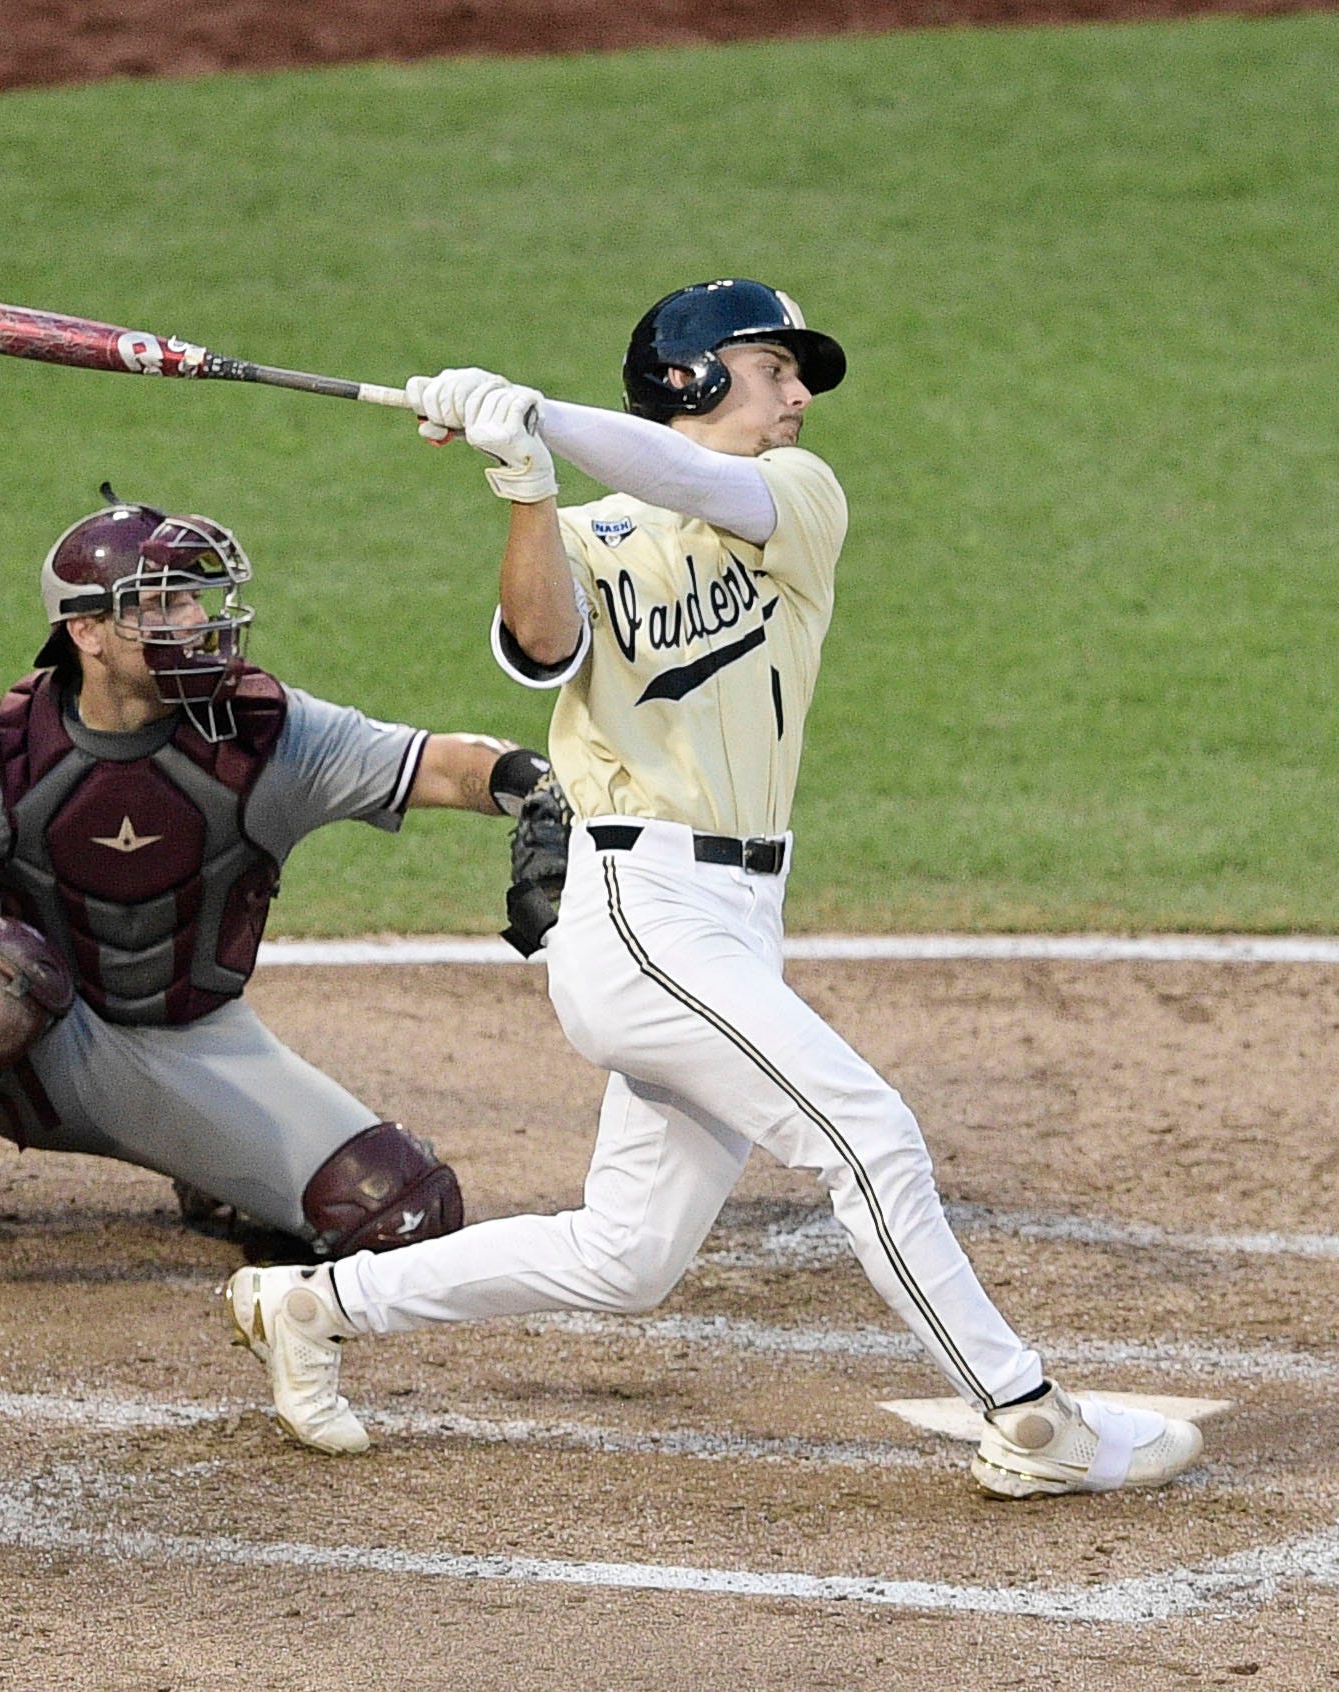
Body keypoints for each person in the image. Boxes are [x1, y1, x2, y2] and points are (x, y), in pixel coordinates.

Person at [224, 280, 1204, 1500]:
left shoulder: (797, 498)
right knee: (872, 1137)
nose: (799, 396)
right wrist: (526, 482)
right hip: (645, 914)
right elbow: (541, 645)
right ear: (691, 375)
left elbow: (695, 485)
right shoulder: (587, 535)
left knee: (627, 1257)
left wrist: (537, 413)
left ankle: (312, 1305)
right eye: (774, 368)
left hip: (737, 924)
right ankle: (1034, 1423)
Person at [0, 489, 560, 1289]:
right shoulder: (3, 751)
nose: (194, 621)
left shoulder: (263, 733)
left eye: (192, 598)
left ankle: (217, 1172)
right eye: (160, 604)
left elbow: (439, 767)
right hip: (40, 1055)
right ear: (88, 633)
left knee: (404, 1214)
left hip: (197, 1044)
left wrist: (532, 783)